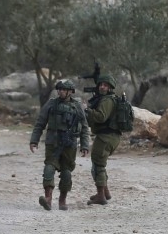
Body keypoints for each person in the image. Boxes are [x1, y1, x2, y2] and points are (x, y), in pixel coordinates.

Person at [30, 79, 91, 211]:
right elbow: (40, 123)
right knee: (49, 169)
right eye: (59, 89)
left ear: (70, 92)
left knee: (66, 173)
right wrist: (34, 140)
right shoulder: (51, 104)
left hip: (70, 145)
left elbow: (85, 128)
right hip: (53, 142)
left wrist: (85, 145)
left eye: (64, 90)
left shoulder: (77, 106)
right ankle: (48, 198)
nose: (61, 92)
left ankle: (62, 200)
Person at [85, 73, 121, 206]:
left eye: (105, 85)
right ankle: (105, 192)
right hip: (109, 136)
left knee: (98, 164)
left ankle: (101, 196)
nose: (102, 87)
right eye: (100, 84)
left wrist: (87, 110)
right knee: (99, 163)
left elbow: (101, 117)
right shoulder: (109, 99)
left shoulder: (107, 100)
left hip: (107, 136)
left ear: (110, 87)